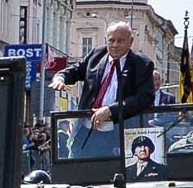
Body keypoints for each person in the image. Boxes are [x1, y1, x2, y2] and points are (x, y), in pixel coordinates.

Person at [54, 23, 157, 156]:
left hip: (117, 134)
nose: (115, 45)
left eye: (120, 41)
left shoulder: (142, 63)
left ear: (130, 41)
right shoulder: (97, 55)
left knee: (111, 168)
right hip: (86, 130)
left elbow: (145, 98)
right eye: (111, 40)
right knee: (76, 165)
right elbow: (75, 70)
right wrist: (60, 78)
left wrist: (110, 110)